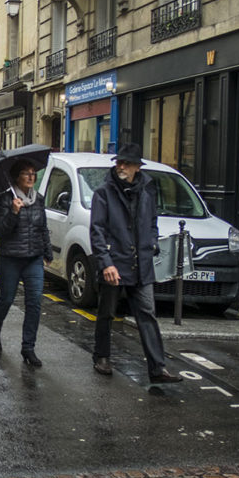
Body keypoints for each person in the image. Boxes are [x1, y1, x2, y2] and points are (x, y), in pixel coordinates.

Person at [89, 144, 181, 384]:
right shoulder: (104, 192)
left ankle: (157, 368)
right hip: (115, 263)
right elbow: (97, 230)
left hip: (142, 264)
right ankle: (101, 357)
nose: (121, 167)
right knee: (107, 313)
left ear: (137, 167)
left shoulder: (147, 190)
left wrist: (152, 242)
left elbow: (152, 222)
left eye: (126, 164)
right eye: (119, 162)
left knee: (147, 315)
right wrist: (106, 263)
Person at [0, 160, 52, 366]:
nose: (31, 177)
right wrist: (14, 213)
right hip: (9, 258)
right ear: (17, 177)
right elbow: (0, 230)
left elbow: (43, 227)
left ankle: (28, 348)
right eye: (27, 173)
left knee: (34, 303)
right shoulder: (6, 200)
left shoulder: (39, 200)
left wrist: (47, 252)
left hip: (33, 258)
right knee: (7, 299)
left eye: (34, 173)